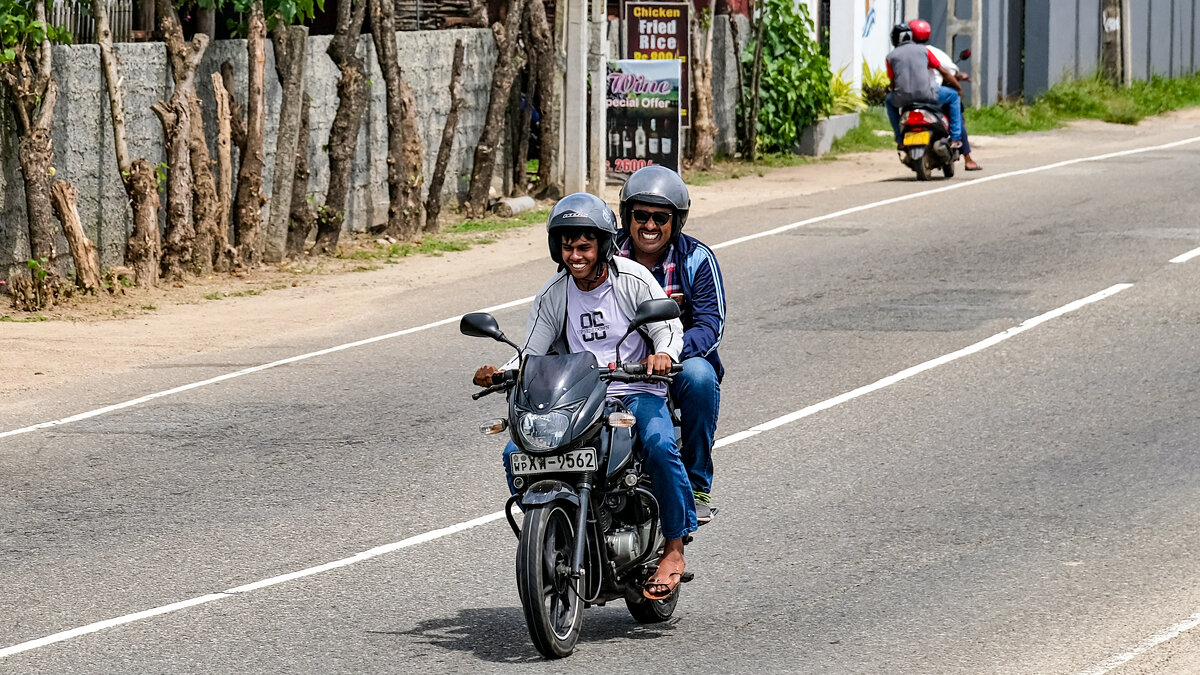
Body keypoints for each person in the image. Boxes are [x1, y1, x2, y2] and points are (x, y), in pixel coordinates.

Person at [473, 192, 697, 600]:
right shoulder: (554, 293)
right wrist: (501, 373)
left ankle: (674, 549)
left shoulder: (631, 279)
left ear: (603, 244)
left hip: (635, 390)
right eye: (567, 246)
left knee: (661, 444)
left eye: (584, 246)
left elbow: (667, 327)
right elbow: (531, 353)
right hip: (579, 397)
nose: (575, 255)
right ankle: (554, 533)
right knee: (515, 454)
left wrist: (663, 353)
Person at [615, 165, 726, 525]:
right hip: (612, 361)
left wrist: (667, 353)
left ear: (675, 221)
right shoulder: (605, 251)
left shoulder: (697, 258)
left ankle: (695, 484)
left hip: (678, 363)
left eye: (660, 218)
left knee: (700, 377)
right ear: (626, 217)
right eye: (641, 216)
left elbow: (711, 324)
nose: (649, 226)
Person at [884, 20, 964, 149]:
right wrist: (958, 88)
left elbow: (893, 82)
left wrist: (889, 89)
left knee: (888, 101)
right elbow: (943, 71)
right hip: (927, 95)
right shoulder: (924, 51)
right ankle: (955, 139)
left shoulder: (890, 57)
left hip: (902, 99)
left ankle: (899, 139)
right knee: (953, 96)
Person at [923, 39, 983, 171]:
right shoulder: (930, 52)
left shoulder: (899, 54)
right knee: (956, 109)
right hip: (933, 94)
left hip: (908, 95)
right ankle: (964, 153)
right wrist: (958, 82)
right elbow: (947, 72)